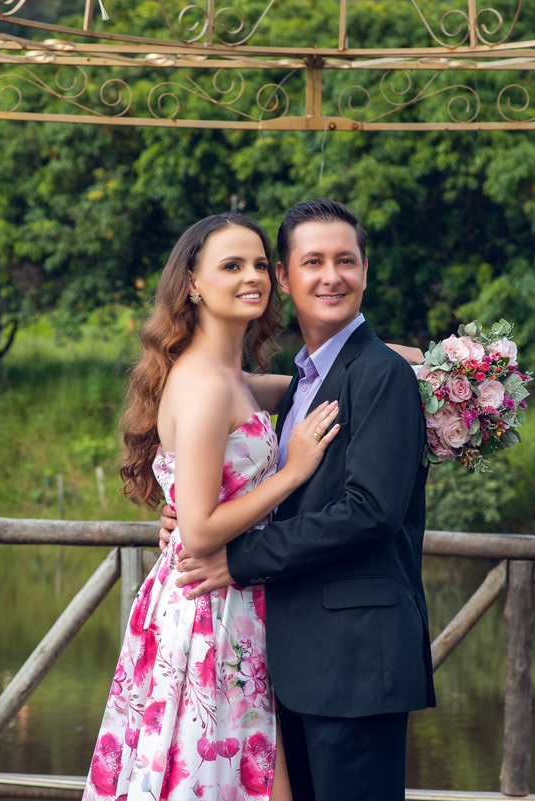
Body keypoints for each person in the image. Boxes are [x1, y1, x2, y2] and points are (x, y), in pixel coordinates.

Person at [164, 199, 436, 801]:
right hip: (289, 658)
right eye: (312, 261)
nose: (331, 275)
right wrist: (188, 513)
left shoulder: (380, 374)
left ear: (366, 270)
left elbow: (370, 511)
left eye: (346, 260)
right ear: (286, 278)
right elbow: (261, 485)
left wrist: (237, 557)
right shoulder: (301, 384)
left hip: (355, 660)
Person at [83, 212, 345, 801]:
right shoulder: (203, 385)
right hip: (209, 611)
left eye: (258, 264)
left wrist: (431, 362)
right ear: (193, 284)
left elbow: (329, 375)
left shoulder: (235, 378)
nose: (252, 276)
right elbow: (199, 533)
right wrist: (293, 472)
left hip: (232, 600)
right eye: (231, 265)